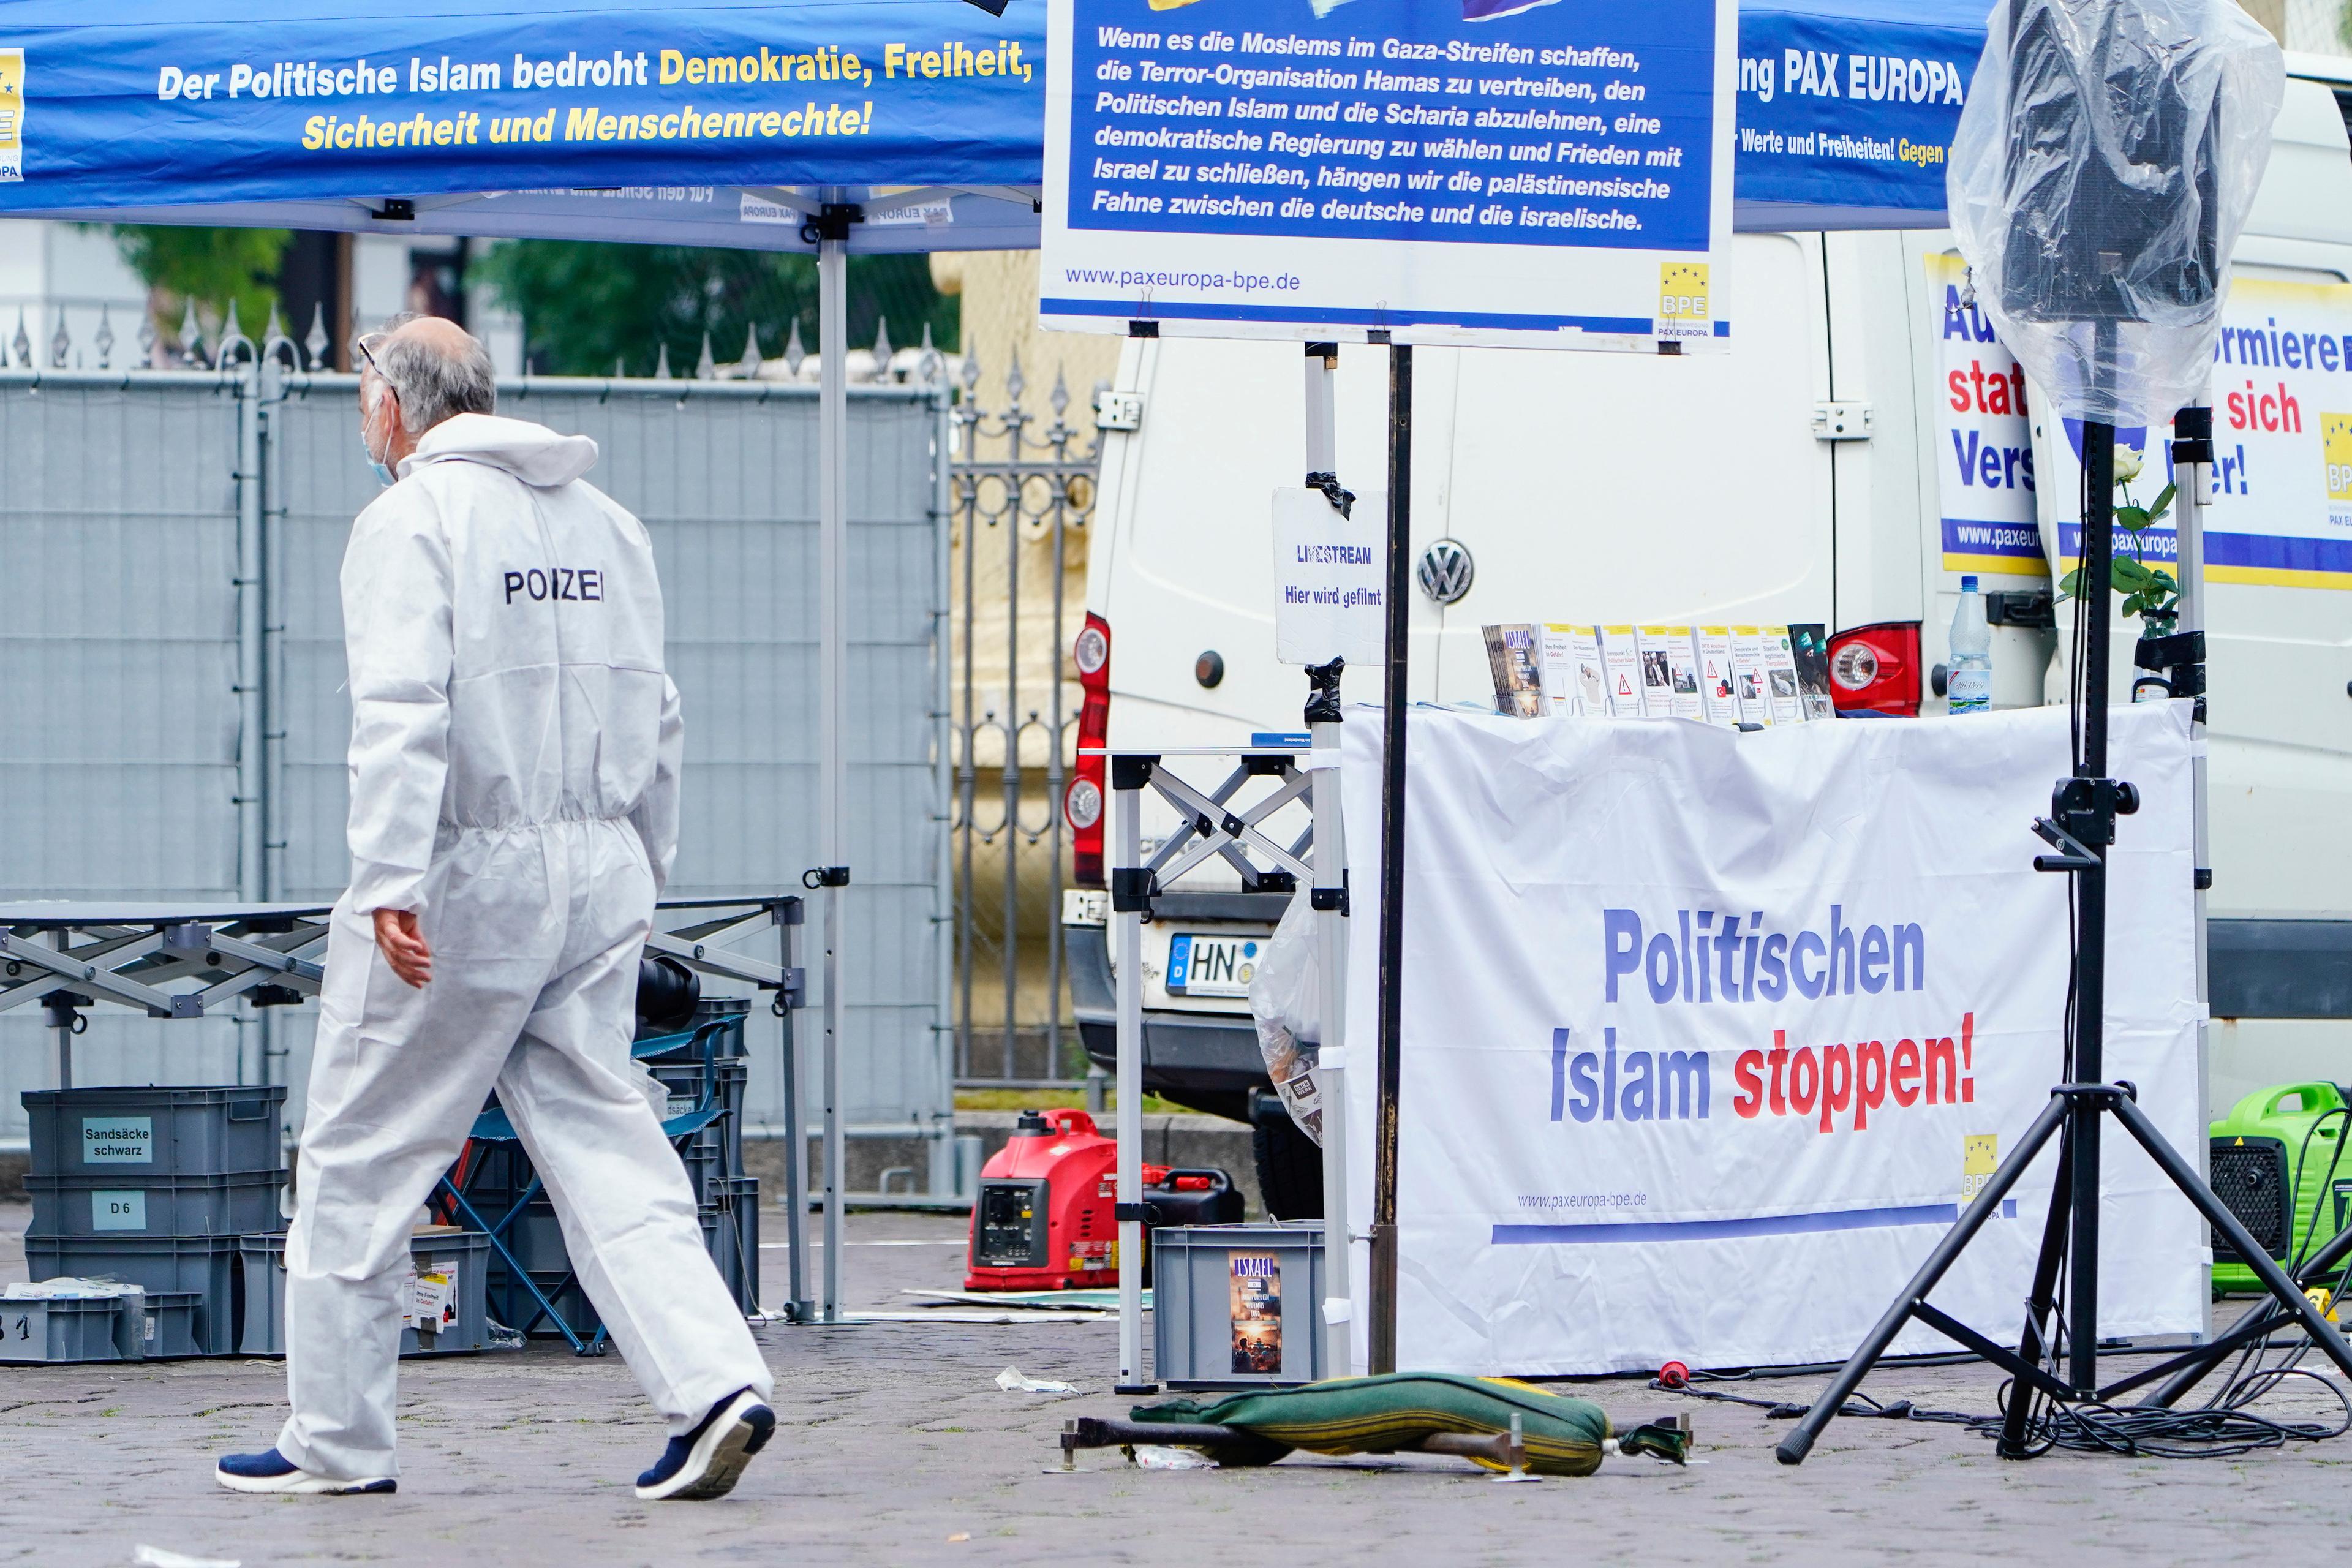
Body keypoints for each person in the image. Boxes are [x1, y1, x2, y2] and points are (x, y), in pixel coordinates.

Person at [216, 315, 774, 1501]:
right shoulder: (605, 522)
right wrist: (642, 864)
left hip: (467, 865)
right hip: (599, 860)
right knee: (608, 1136)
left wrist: (386, 877)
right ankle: (716, 1379)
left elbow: (401, 709)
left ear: (389, 401)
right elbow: (657, 711)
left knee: (363, 1151)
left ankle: (338, 1437)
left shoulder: (409, 521)